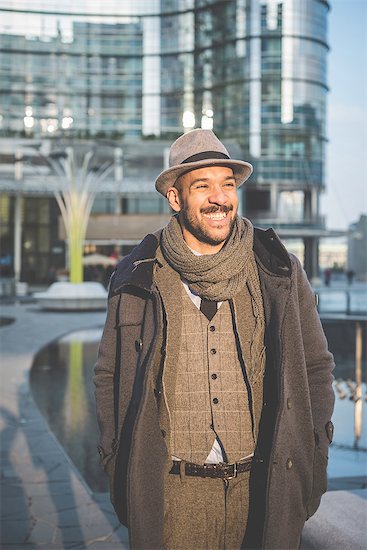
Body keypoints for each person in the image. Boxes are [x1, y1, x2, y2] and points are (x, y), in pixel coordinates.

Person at [94, 129, 335, 549]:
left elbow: (316, 367)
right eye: (202, 186)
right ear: (175, 198)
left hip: (261, 487)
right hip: (172, 495)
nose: (219, 198)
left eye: (227, 184)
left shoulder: (279, 269)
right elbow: (108, 375)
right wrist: (118, 463)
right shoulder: (138, 275)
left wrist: (314, 455)